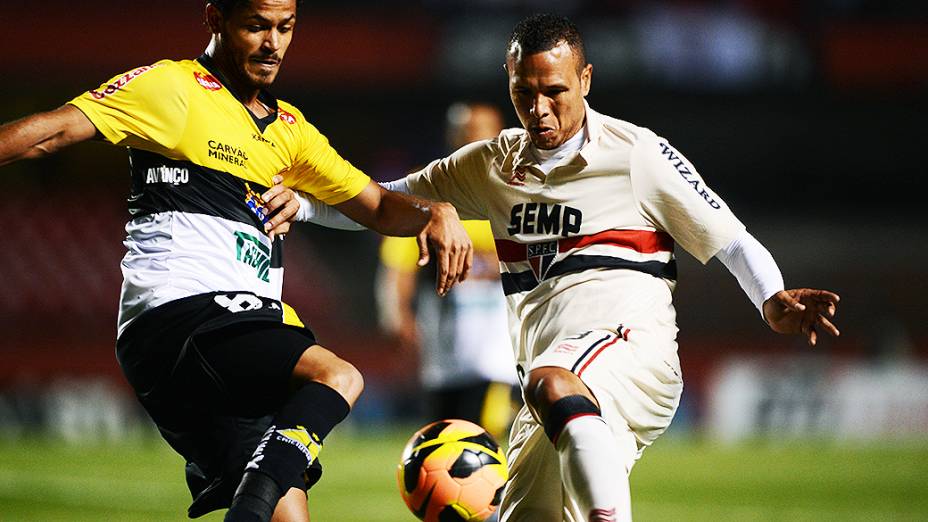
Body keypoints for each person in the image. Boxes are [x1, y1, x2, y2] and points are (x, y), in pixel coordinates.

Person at [294, 13, 841, 522]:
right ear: (508, 80)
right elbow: (383, 201)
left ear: (585, 79)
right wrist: (302, 206)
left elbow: (731, 240)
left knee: (553, 381)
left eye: (555, 91)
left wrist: (771, 299)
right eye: (523, 94)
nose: (539, 110)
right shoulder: (492, 164)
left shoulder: (636, 153)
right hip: (550, 388)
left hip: (630, 351)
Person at [0, 1, 473, 521]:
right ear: (215, 20)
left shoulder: (291, 131)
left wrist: (436, 212)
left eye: (285, 28)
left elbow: (378, 205)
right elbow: (51, 132)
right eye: (256, 26)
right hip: (182, 315)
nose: (272, 43)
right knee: (337, 377)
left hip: (234, 338)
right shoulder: (172, 88)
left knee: (287, 513)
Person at [377, 103, 518, 442]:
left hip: (502, 328)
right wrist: (396, 312)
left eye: (483, 132)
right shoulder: (429, 188)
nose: (474, 141)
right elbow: (399, 263)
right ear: (452, 137)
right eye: (466, 133)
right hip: (446, 331)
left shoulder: (518, 188)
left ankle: (492, 484)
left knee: (492, 418)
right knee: (445, 428)